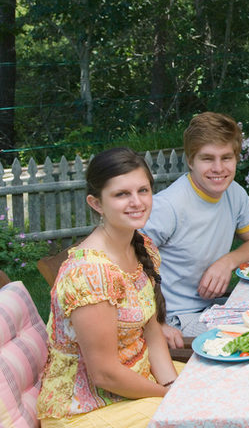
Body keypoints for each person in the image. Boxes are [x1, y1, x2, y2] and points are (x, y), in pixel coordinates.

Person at [37, 148, 179, 427]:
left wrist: (172, 384)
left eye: (143, 190)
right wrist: (169, 397)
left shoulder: (141, 247)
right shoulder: (89, 273)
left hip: (136, 385)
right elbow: (104, 375)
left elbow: (151, 332)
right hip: (84, 409)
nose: (137, 202)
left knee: (219, 387)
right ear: (97, 203)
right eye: (121, 194)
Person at [142, 112, 249, 345]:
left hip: (212, 308)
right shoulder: (169, 206)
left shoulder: (234, 193)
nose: (218, 168)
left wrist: (227, 262)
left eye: (226, 158)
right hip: (176, 318)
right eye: (207, 159)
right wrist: (155, 324)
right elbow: (126, 264)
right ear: (191, 161)